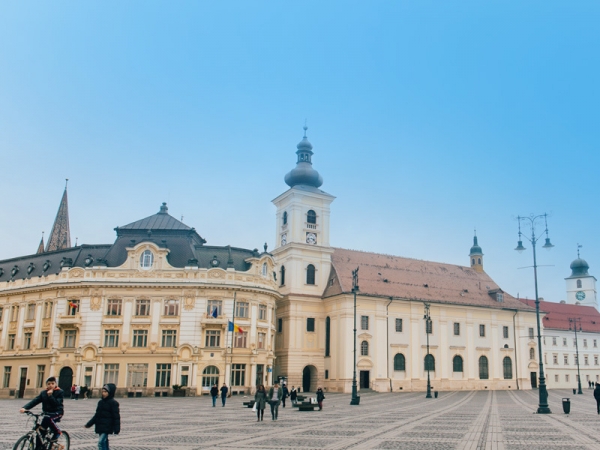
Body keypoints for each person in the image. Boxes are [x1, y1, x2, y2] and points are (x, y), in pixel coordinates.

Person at [20, 376, 64, 443]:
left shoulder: (60, 392)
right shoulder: (43, 393)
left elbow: (56, 403)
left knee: (49, 419)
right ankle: (39, 447)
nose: (50, 385)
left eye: (52, 383)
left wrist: (50, 396)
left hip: (57, 412)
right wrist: (25, 408)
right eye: (48, 384)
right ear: (46, 385)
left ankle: (57, 432)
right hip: (46, 413)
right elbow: (35, 401)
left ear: (56, 384)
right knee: (40, 432)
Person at [85, 383, 121, 450]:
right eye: (102, 391)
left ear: (110, 393)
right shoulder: (100, 402)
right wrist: (89, 424)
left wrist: (117, 428)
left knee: (100, 442)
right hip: (100, 425)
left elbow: (116, 417)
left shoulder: (113, 403)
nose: (103, 393)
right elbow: (96, 415)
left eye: (105, 392)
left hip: (107, 426)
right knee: (104, 442)